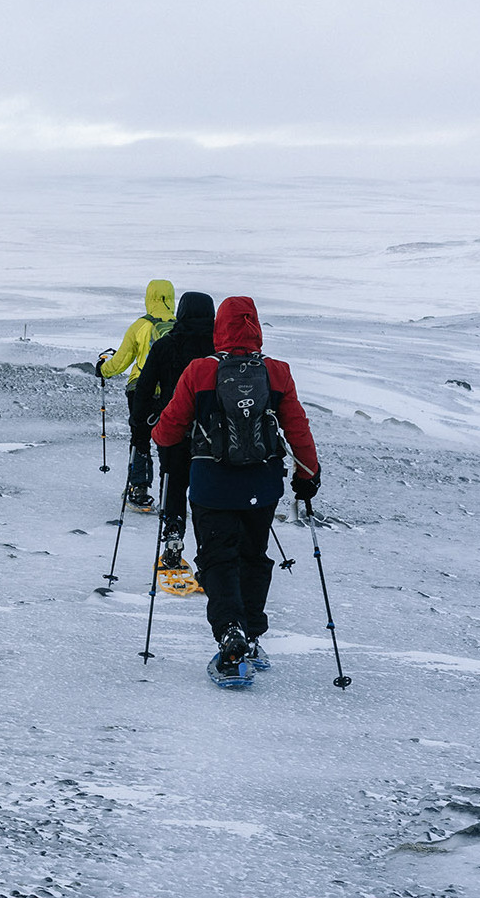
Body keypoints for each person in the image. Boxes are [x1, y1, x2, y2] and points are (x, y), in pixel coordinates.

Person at [150, 296, 321, 685]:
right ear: (256, 328)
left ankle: (231, 634)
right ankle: (253, 635)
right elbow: (297, 428)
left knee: (217, 559)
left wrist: (160, 434)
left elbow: (169, 429)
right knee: (253, 557)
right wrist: (307, 474)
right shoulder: (277, 372)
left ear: (219, 328)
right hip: (262, 485)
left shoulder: (199, 371)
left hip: (212, 484)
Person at [138, 291, 216, 575]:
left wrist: (141, 429)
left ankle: (173, 530)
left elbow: (145, 388)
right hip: (213, 435)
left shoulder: (166, 345)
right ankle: (209, 550)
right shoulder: (218, 349)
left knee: (173, 480)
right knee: (206, 491)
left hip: (172, 427)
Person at [98, 280, 176, 510]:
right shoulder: (180, 326)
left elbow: (122, 360)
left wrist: (103, 370)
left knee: (140, 438)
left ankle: (139, 487)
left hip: (141, 389)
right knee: (169, 441)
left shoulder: (140, 326)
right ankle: (170, 492)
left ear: (149, 297)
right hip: (172, 393)